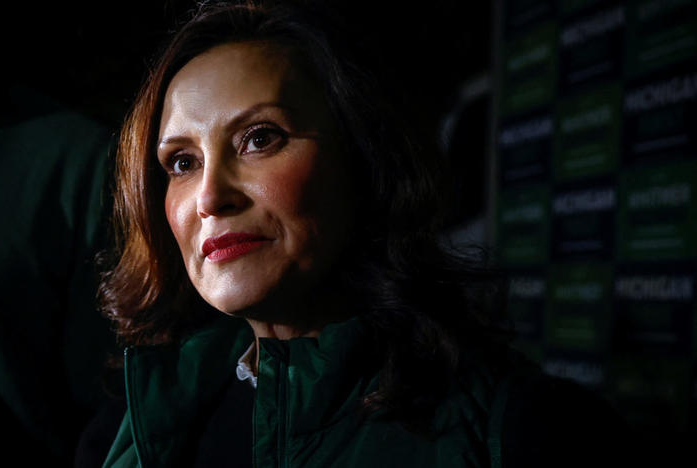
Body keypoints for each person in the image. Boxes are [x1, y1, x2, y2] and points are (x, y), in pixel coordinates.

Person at [85, 1, 646, 467]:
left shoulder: (529, 432)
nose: (209, 197)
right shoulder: (135, 423)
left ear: (363, 162)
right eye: (181, 163)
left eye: (259, 139)